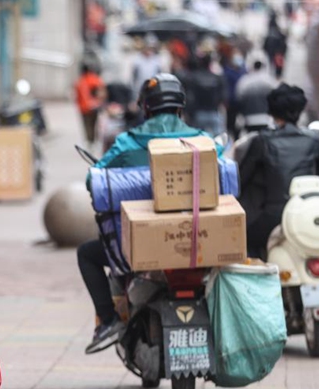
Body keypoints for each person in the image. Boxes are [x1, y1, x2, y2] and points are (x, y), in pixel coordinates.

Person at [79, 73, 222, 354]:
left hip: (137, 249)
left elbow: (92, 181)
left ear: (145, 108)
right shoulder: (204, 142)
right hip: (200, 242)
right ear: (181, 107)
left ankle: (108, 320)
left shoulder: (127, 143)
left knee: (86, 254)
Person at [236, 83, 319, 259]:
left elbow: (241, 180)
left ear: (273, 114)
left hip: (273, 219)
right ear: (300, 111)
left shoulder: (262, 141)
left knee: (244, 239)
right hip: (310, 216)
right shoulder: (317, 140)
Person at [183, 54, 227, 136]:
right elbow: (223, 96)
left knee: (198, 140)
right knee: (218, 140)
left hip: (199, 114)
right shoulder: (217, 78)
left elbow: (190, 97)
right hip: (214, 112)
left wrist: (188, 113)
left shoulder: (193, 78)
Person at [235, 60, 278, 133]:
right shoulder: (270, 81)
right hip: (266, 119)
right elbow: (277, 98)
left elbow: (239, 98)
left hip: (249, 119)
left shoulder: (244, 81)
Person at [74, 62, 106, 148]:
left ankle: (90, 141)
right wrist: (98, 102)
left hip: (84, 108)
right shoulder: (95, 79)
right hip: (94, 106)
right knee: (94, 124)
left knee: (87, 125)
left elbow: (77, 95)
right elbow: (102, 92)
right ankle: (94, 140)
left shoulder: (80, 81)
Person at [263, 11, 287, 79]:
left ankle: (275, 75)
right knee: (275, 65)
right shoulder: (276, 33)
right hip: (275, 51)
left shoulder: (273, 33)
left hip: (274, 52)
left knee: (274, 65)